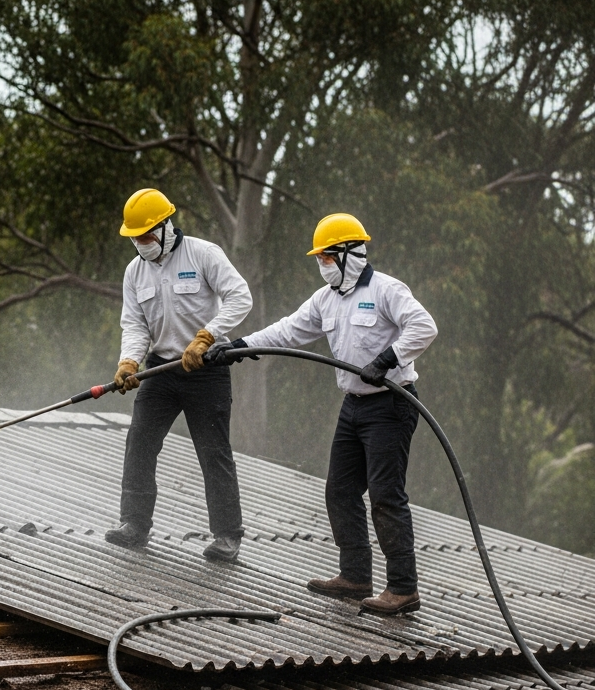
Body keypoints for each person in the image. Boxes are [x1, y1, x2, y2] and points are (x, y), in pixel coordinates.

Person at [209, 213, 438, 614]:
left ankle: (403, 588)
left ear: (351, 255)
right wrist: (238, 346)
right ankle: (355, 576)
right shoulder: (325, 299)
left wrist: (387, 359)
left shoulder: (386, 290)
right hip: (353, 405)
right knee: (340, 491)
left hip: (391, 405)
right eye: (321, 259)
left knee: (386, 496)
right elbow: (288, 331)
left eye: (328, 257)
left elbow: (423, 326)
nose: (323, 265)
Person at [106, 188, 253, 561]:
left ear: (167, 226)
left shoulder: (203, 254)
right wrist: (129, 362)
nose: (142, 243)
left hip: (206, 371)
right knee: (140, 442)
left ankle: (227, 536)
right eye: (135, 238)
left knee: (213, 451)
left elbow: (240, 297)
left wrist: (207, 336)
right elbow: (135, 325)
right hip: (161, 369)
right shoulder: (134, 271)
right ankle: (134, 525)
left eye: (147, 235)